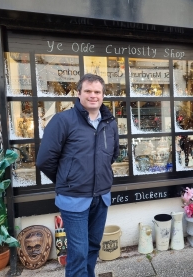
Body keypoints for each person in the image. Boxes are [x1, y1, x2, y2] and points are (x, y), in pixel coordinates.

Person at [36, 73, 119, 277]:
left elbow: (112, 155)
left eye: (97, 92)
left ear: (103, 95)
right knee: (78, 253)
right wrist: (68, 179)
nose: (93, 95)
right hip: (73, 199)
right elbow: (44, 160)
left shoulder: (110, 123)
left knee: (92, 247)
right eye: (88, 91)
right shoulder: (63, 120)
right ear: (79, 93)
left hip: (101, 197)